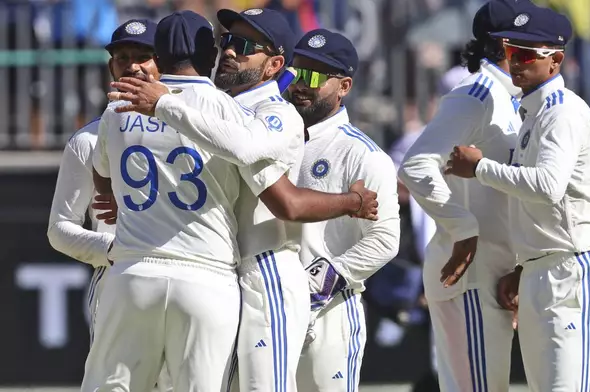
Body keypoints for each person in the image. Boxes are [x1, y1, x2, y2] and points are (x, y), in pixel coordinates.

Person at [106, 8, 380, 392]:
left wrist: (352, 201)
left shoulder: (277, 114)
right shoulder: (216, 106)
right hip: (220, 273)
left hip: (266, 272)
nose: (231, 52)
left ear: (275, 65)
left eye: (247, 46)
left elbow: (281, 194)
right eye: (228, 41)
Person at [81, 11, 266, 391]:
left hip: (133, 274)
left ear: (157, 57)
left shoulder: (118, 107)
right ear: (211, 56)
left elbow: (100, 170)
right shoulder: (227, 109)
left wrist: (123, 198)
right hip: (206, 276)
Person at [446, 4, 590, 392]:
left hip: (574, 269)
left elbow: (548, 186)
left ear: (555, 61)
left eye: (527, 54)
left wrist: (479, 168)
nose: (516, 63)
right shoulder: (533, 115)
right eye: (511, 52)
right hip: (542, 270)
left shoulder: (561, 112)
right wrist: (526, 268)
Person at [397, 1, 526, 390]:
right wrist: (463, 229)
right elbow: (415, 165)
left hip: (493, 274)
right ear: (507, 44)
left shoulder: (506, 96)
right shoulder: (477, 93)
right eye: (533, 41)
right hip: (472, 275)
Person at [47, 18, 172, 392]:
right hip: (118, 280)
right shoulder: (86, 141)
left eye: (144, 57)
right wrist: (115, 250)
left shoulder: (190, 131)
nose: (133, 66)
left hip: (187, 274)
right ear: (110, 67)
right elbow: (60, 229)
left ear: (162, 63)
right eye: (122, 58)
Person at [284, 29, 400, 392]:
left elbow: (385, 239)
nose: (302, 84)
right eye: (297, 72)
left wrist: (321, 280)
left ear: (344, 86)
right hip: (269, 305)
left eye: (316, 76)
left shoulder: (361, 153)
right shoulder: (271, 136)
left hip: (328, 314)